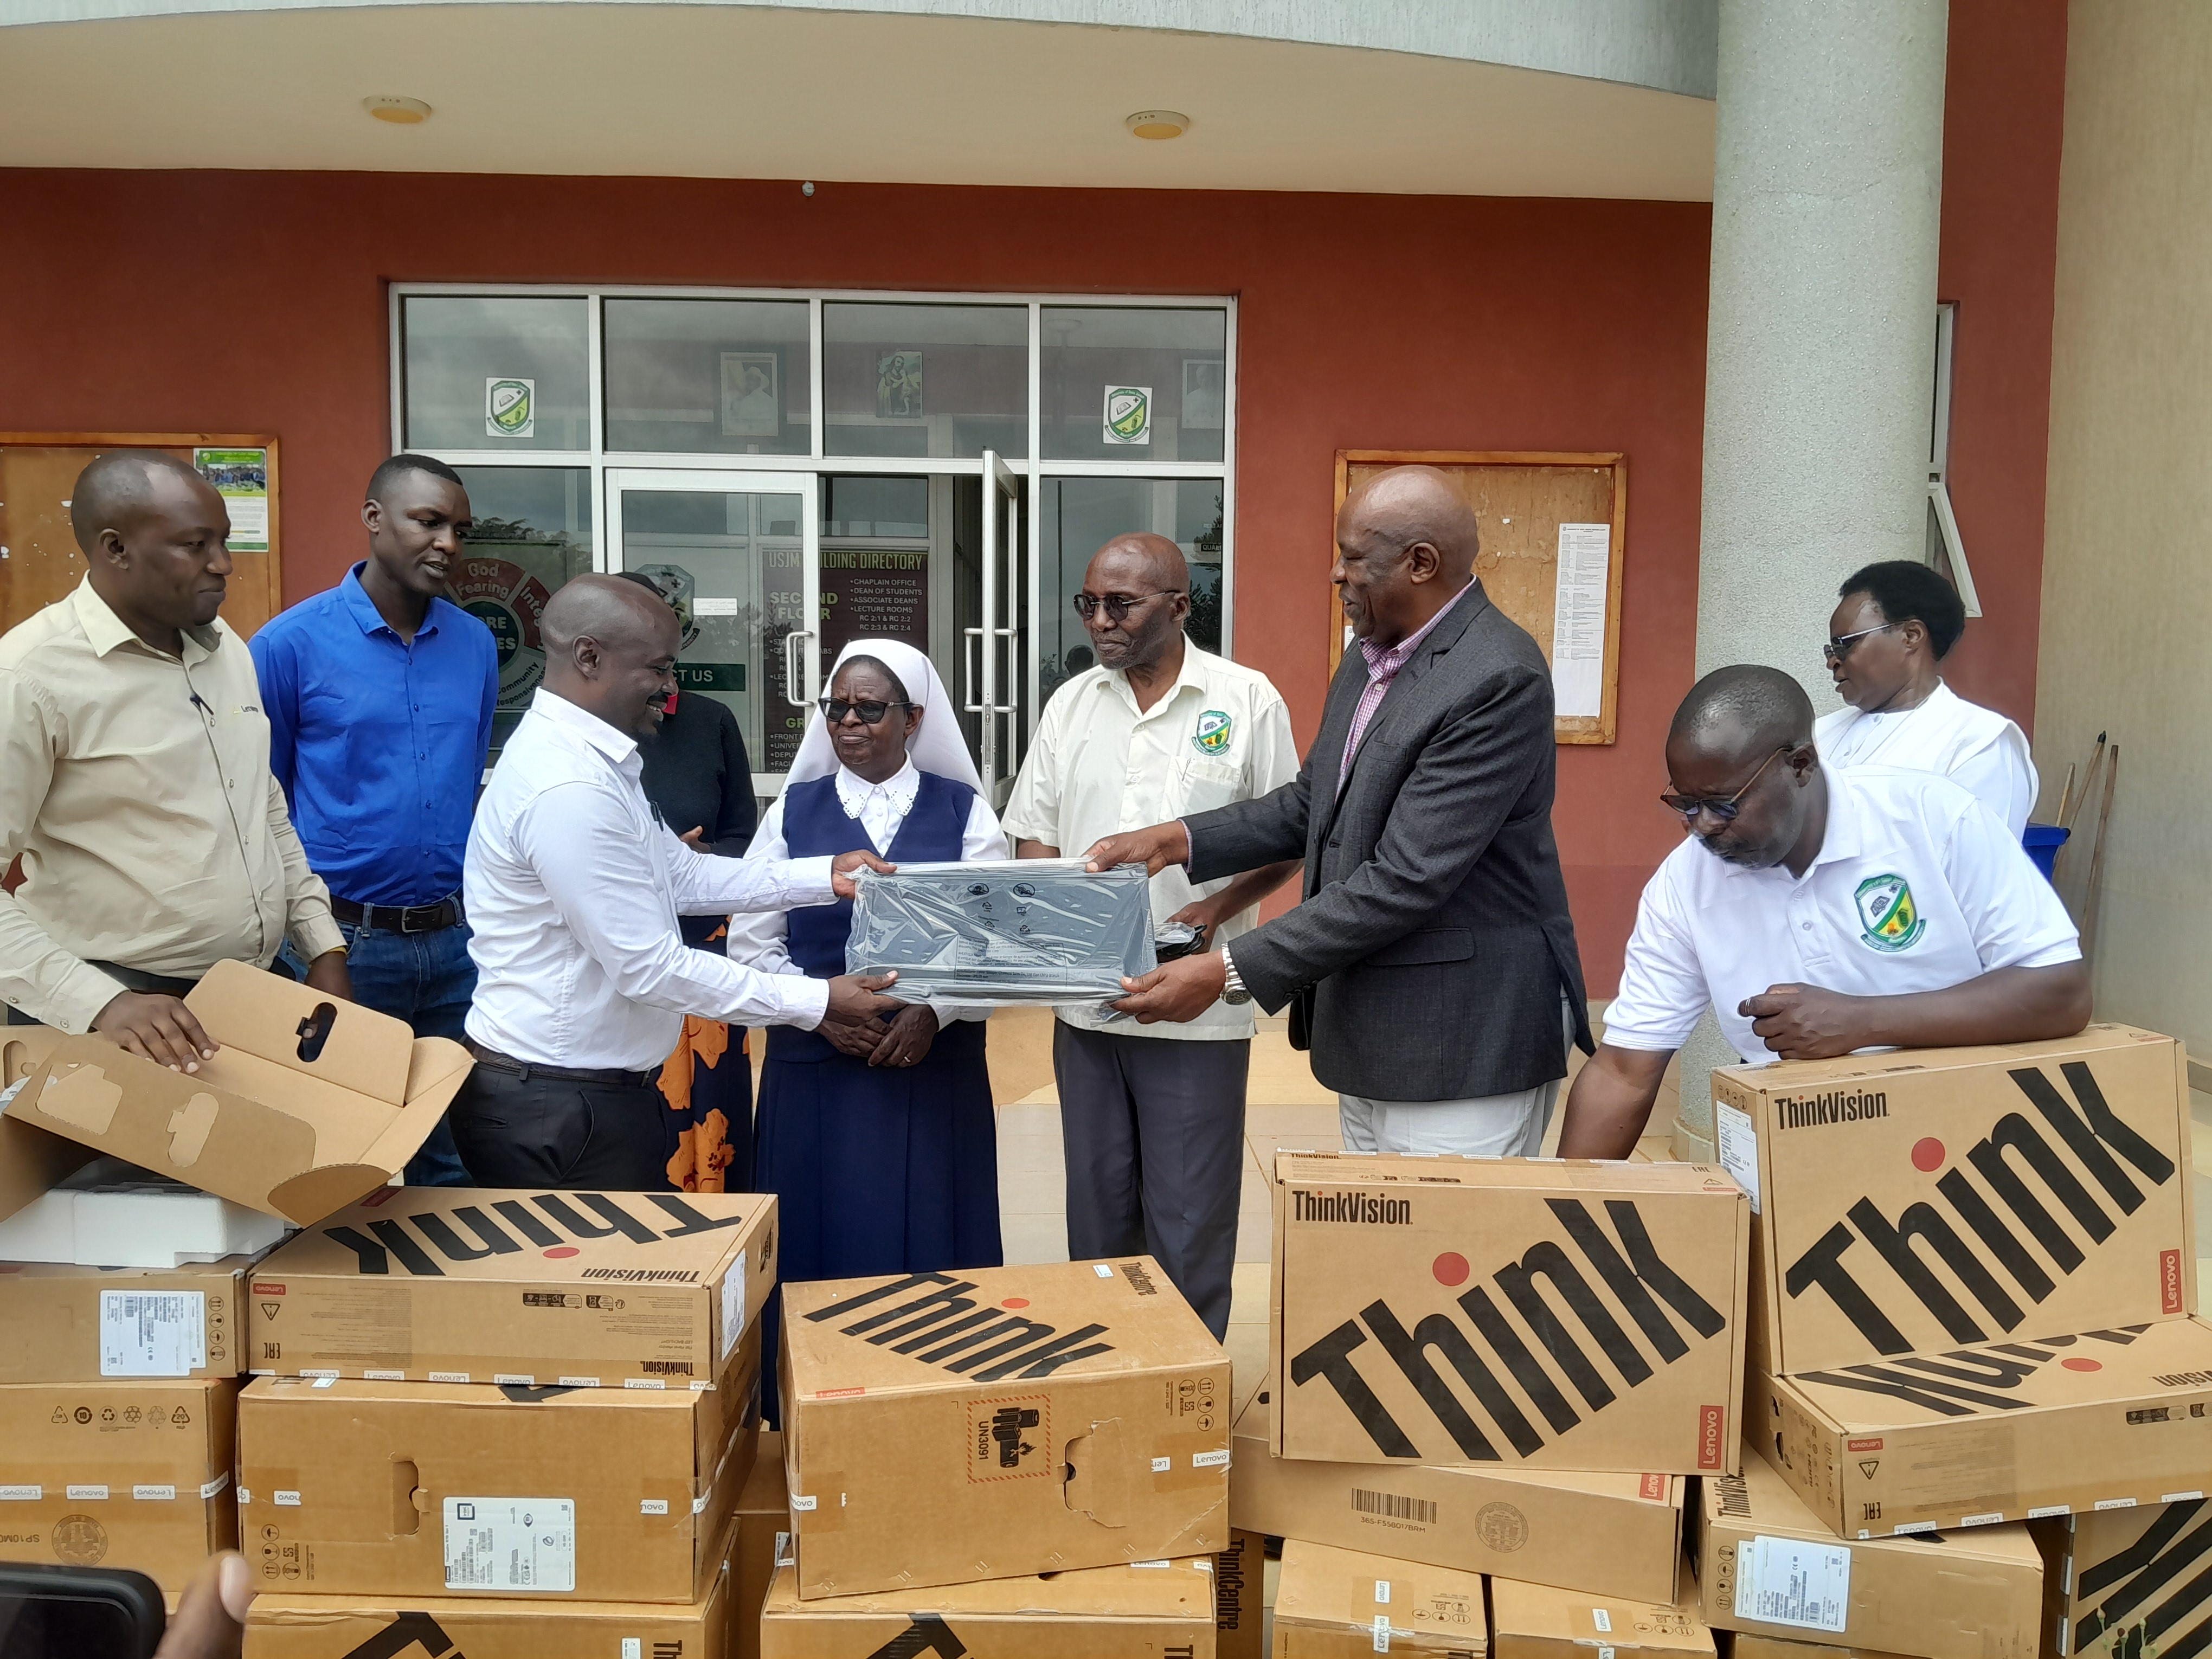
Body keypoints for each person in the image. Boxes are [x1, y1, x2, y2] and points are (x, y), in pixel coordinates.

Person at [1087, 466, 1591, 1160]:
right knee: (1375, 1230)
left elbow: (1406, 877)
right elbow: (1312, 802)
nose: (1336, 574)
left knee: (1442, 1231)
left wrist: (1227, 969)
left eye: (1353, 557)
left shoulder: (1497, 676)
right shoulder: (1370, 656)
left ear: (1420, 564)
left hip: (1461, 1042)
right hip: (1370, 1032)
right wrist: (1173, 840)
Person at [452, 575, 901, 1190]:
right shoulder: (570, 789)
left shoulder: (598, 764)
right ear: (589, 657)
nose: (671, 687)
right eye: (659, 668)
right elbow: (649, 967)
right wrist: (817, 1001)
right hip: (556, 1103)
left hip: (581, 1094)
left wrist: (824, 875)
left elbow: (682, 874)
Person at [1556, 665, 2091, 1160]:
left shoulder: (1933, 819)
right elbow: (1624, 1072)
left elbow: (2062, 994)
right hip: (1799, 1157)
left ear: (1801, 765)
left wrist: (1861, 1021)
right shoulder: (1684, 885)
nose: (1702, 827)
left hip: (1971, 1143)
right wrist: (1563, 1206)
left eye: (1723, 805)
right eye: (1685, 805)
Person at [1000, 533, 1298, 1340]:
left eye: (1121, 605)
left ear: (1179, 605)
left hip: (1195, 1008)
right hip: (1086, 1006)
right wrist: (1062, 928)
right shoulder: (1071, 705)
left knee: (1189, 1216)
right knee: (1098, 1212)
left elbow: (1289, 835)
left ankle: (1183, 1384)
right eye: (1089, 603)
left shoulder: (1246, 701)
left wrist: (1216, 907)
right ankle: (1109, 1372)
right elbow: (1034, 833)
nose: (1100, 621)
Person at [0, 451, 350, 1061]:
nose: (224, 564)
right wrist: (102, 1003)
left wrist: (322, 946)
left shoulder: (226, 649)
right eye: (195, 545)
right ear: (116, 549)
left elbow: (263, 806)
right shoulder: (29, 678)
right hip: (116, 1020)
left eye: (224, 541)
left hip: (253, 996)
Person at [731, 639, 1008, 1294]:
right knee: (812, 1246)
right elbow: (750, 944)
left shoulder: (964, 812)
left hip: (933, 1066)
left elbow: (997, 942)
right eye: (837, 707)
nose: (849, 721)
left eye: (870, 709)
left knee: (934, 1255)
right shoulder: (791, 813)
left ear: (913, 719)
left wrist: (933, 1011)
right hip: (814, 1067)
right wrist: (821, 1008)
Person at [249, 455, 496, 1185]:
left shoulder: (476, 645)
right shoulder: (287, 645)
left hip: (457, 945)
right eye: (429, 522)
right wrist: (310, 944)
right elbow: (264, 799)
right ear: (373, 519)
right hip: (342, 945)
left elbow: (468, 778)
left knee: (455, 1154)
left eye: (460, 529)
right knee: (341, 1155)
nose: (448, 543)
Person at [614, 569, 762, 1192]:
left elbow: (743, 839)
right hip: (623, 962)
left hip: (704, 953)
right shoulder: (579, 750)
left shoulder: (711, 721)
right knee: (639, 1127)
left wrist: (688, 860)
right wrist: (655, 862)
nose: (664, 680)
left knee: (715, 1123)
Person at [1817, 559, 2038, 834]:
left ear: (1911, 636)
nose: (1833, 662)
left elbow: (1978, 857)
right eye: (1831, 650)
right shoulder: (1818, 734)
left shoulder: (1977, 744)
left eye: (1845, 644)